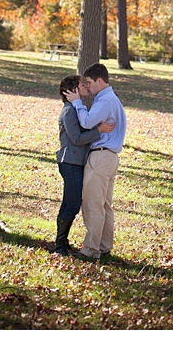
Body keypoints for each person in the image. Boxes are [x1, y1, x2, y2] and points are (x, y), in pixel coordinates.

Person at [62, 62, 127, 261]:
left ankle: (91, 250)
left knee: (93, 205)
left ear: (100, 81)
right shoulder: (112, 99)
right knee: (105, 205)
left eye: (89, 82)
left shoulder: (105, 101)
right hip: (110, 157)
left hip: (100, 156)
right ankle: (104, 246)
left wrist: (77, 103)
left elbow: (87, 122)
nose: (87, 86)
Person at [53, 74, 115, 256]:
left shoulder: (76, 109)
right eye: (82, 85)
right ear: (73, 90)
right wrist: (99, 130)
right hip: (70, 162)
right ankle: (60, 245)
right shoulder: (69, 111)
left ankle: (62, 243)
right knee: (72, 204)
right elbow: (77, 139)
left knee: (69, 203)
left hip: (77, 162)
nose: (86, 87)